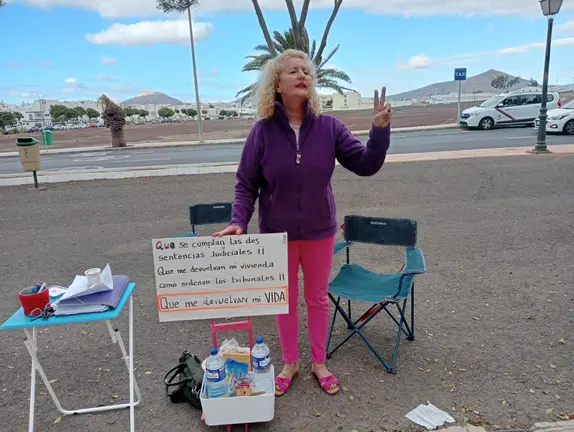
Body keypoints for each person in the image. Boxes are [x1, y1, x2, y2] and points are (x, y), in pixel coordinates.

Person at [213, 49, 392, 396]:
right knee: (283, 299)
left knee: (317, 299)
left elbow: (366, 164)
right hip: (275, 236)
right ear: (277, 85)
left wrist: (379, 132)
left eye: (307, 71)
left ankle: (319, 363)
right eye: (293, 71)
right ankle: (290, 363)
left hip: (318, 231)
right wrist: (239, 220)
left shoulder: (330, 128)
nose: (302, 76)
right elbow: (245, 185)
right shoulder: (261, 132)